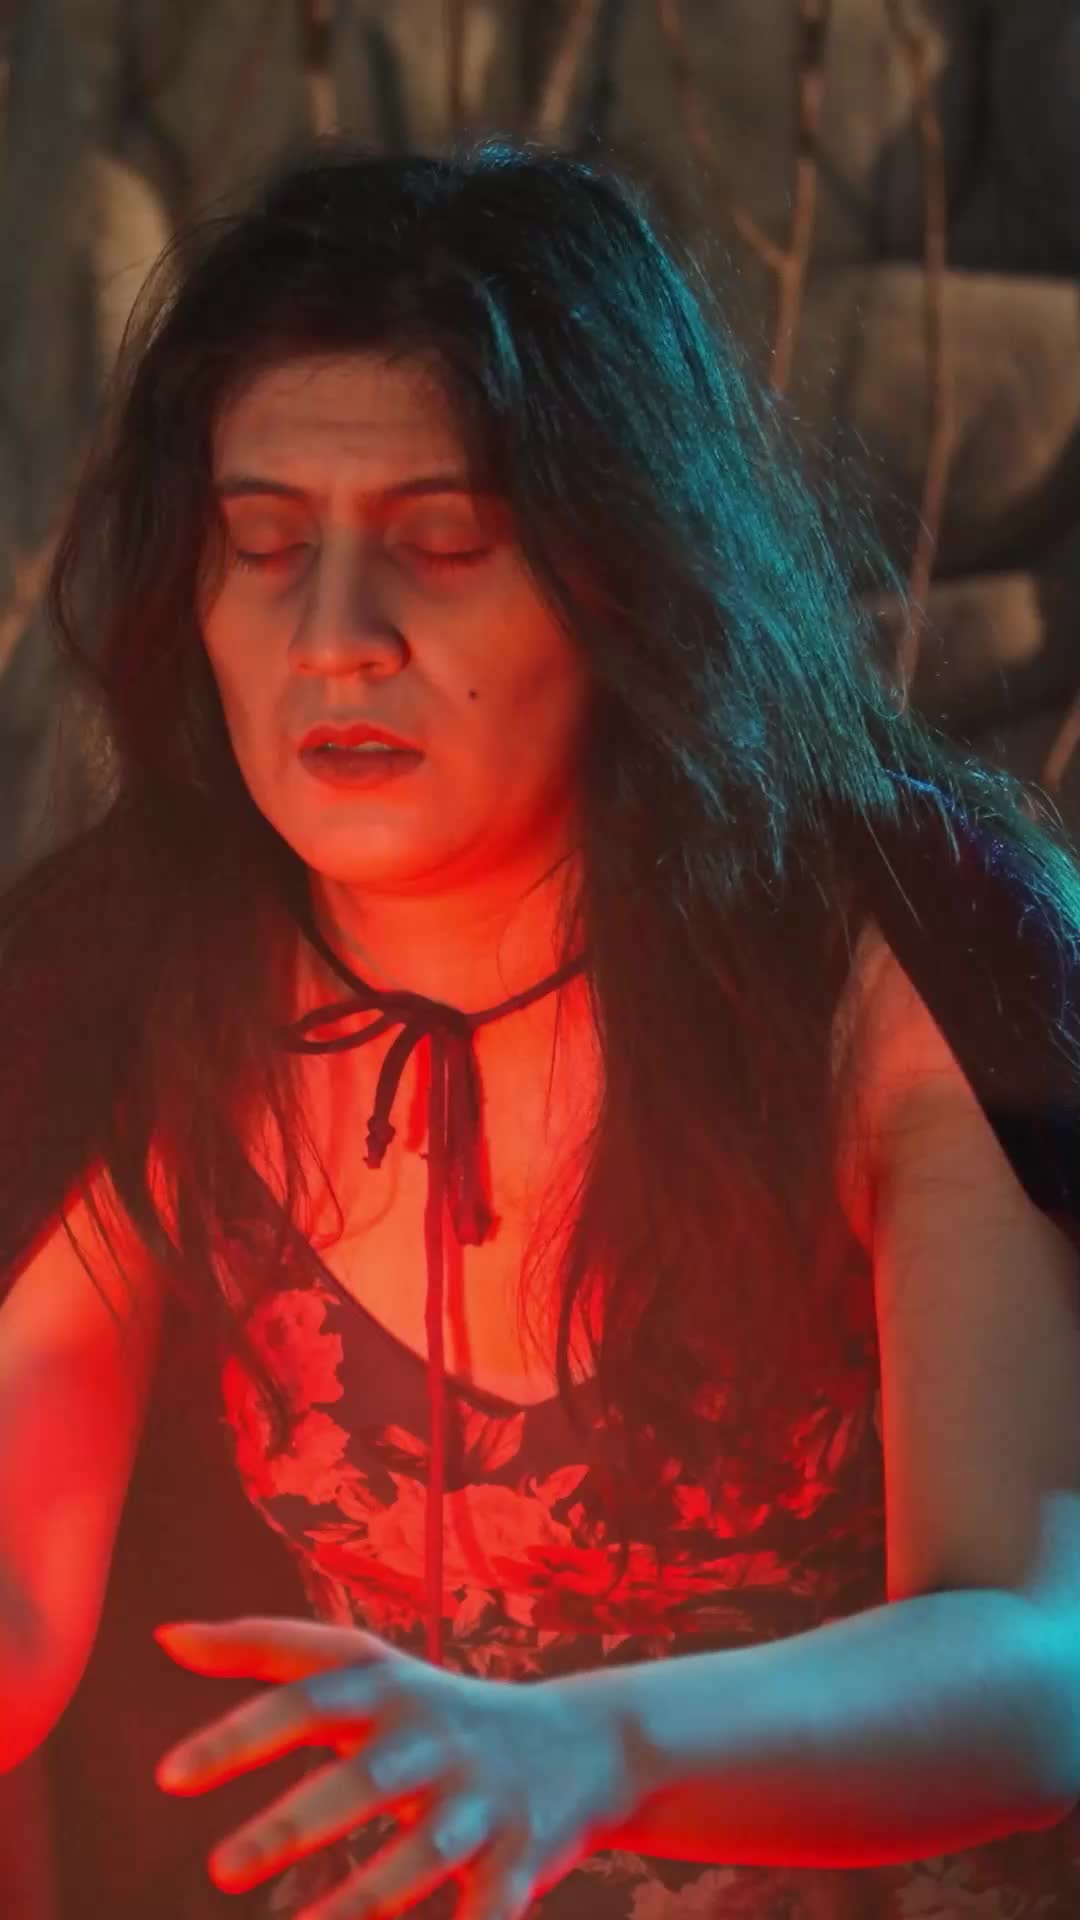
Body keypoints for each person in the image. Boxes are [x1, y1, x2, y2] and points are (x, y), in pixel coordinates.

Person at [2, 133, 1080, 1920]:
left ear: (622, 579)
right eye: (263, 547)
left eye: (440, 545)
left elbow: (1034, 1658)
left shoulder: (888, 949)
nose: (335, 639)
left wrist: (588, 1747)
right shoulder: (147, 969)